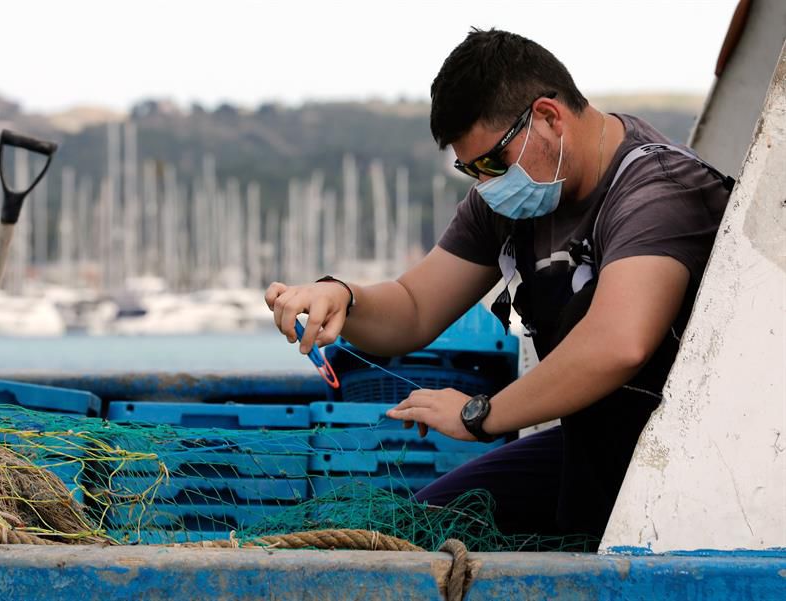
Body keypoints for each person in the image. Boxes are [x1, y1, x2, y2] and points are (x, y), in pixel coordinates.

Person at [264, 28, 732, 539]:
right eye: (470, 170)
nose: (485, 184)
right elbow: (414, 308)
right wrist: (341, 298)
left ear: (548, 118)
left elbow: (619, 343)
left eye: (491, 164)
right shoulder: (510, 199)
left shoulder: (658, 191)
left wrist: (478, 413)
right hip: (586, 448)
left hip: (696, 460)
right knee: (414, 535)